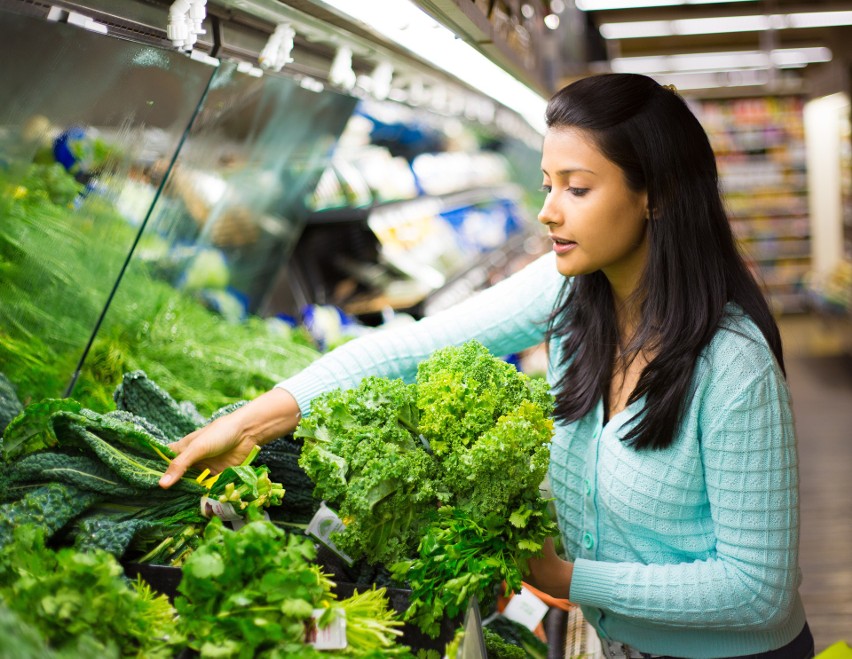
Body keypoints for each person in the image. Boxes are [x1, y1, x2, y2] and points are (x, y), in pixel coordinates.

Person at [159, 73, 812, 659]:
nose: (548, 210)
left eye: (577, 188)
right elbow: (411, 348)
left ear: (658, 195)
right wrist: (251, 424)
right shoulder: (575, 295)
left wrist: (568, 577)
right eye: (548, 185)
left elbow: (758, 591)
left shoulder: (734, 368)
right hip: (625, 644)